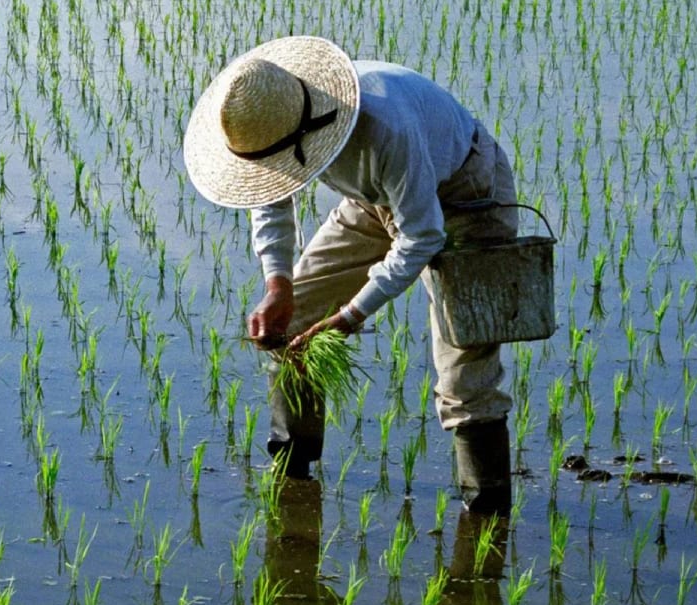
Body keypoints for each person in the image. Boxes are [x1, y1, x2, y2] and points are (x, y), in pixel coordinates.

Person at [183, 36, 518, 514]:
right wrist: (279, 284)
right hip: (373, 200)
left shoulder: (386, 126)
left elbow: (422, 236)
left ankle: (487, 514)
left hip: (467, 194)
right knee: (295, 323)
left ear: (307, 134)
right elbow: (270, 196)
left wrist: (349, 317)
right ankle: (291, 471)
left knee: (465, 366)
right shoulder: (270, 124)